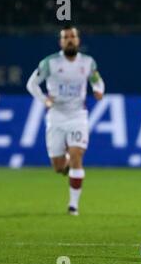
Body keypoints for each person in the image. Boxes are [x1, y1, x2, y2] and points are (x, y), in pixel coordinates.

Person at [26, 25, 105, 216]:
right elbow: (31, 84)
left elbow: (97, 80)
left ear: (78, 40)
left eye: (73, 36)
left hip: (78, 116)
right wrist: (44, 100)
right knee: (59, 167)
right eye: (66, 37)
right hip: (56, 117)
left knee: (77, 156)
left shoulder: (87, 62)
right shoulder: (50, 63)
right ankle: (67, 161)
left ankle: (73, 206)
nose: (70, 39)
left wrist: (99, 90)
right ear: (61, 42)